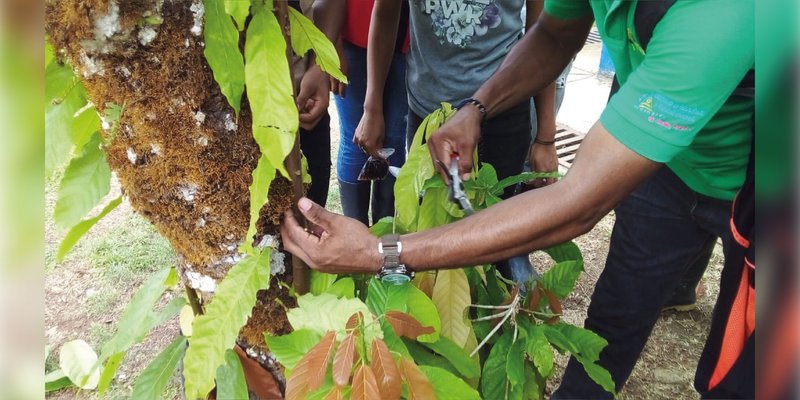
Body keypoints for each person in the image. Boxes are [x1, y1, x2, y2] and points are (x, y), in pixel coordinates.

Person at [281, 0, 754, 398]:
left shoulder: (718, 15)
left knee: (741, 371)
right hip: (667, 170)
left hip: (761, 188)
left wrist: (381, 253)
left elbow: (578, 203)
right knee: (616, 315)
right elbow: (552, 34)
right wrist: (478, 106)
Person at [358, 0, 558, 283]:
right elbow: (386, 12)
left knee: (497, 237)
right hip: (428, 109)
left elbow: (544, 35)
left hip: (504, 111)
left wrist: (546, 137)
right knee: (429, 232)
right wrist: (372, 106)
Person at [311, 0, 410, 226]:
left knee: (393, 139)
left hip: (405, 38)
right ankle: (355, 231)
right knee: (356, 138)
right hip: (353, 33)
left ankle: (385, 233)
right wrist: (333, 44)